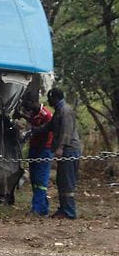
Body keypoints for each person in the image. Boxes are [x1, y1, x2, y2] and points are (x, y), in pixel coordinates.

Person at [47, 88, 81, 219]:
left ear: (54, 97)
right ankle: (64, 208)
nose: (48, 101)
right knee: (61, 180)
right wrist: (33, 131)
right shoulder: (59, 111)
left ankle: (69, 211)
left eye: (49, 98)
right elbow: (50, 127)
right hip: (66, 150)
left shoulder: (65, 111)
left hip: (69, 149)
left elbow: (66, 132)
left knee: (67, 181)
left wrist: (60, 148)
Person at [17, 100, 53, 216]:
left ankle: (36, 209)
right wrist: (22, 116)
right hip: (34, 148)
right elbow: (33, 120)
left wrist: (31, 132)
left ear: (34, 104)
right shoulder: (35, 113)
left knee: (41, 180)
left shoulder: (46, 115)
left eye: (29, 109)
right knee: (35, 179)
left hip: (44, 150)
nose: (29, 112)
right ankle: (43, 208)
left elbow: (46, 129)